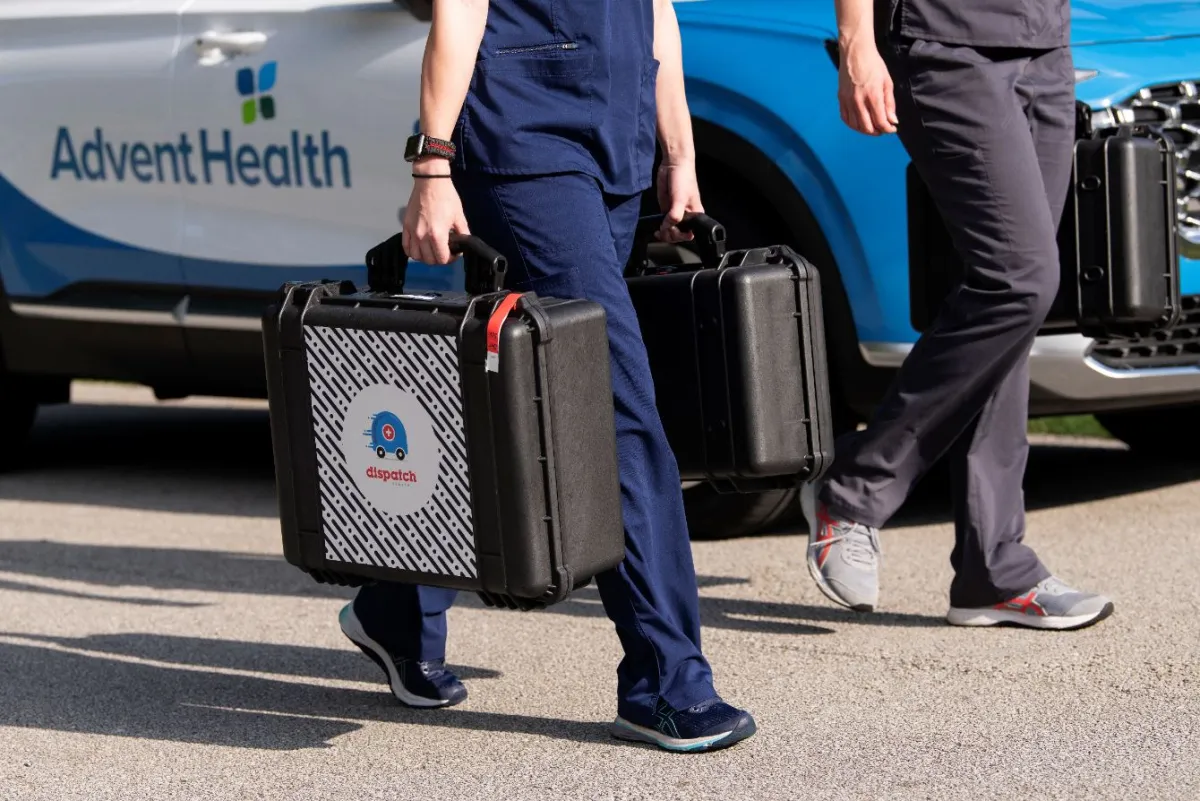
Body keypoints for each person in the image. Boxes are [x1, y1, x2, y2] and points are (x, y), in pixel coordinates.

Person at [334, 0, 756, 752]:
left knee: (532, 408)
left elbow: (657, 10)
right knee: (611, 400)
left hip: (617, 135)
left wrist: (678, 154)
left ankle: (400, 602)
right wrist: (432, 162)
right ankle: (666, 680)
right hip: (524, 135)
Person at [801, 0, 1115, 630]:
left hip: (1043, 44)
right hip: (946, 40)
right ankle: (854, 487)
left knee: (1007, 305)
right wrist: (857, 43)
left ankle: (993, 569)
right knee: (1019, 280)